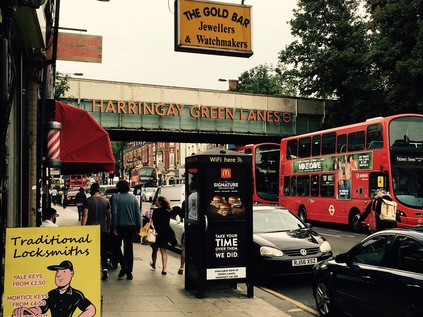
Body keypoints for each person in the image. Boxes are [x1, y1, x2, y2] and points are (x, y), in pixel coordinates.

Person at [12, 260, 96, 317]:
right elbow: (39, 308)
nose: (59, 275)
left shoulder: (76, 295)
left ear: (71, 273)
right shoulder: (51, 294)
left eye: (63, 272)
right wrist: (26, 311)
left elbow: (91, 309)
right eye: (57, 272)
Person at [111, 179, 141, 280]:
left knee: (116, 246)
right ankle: (129, 272)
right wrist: (139, 226)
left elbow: (114, 213)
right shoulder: (133, 198)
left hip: (119, 225)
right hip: (131, 226)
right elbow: (137, 213)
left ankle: (124, 265)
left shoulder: (115, 198)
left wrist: (113, 226)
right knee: (129, 248)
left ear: (118, 187)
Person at [82, 182, 111, 280]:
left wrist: (82, 227)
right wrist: (108, 227)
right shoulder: (106, 201)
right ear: (99, 190)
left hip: (91, 229)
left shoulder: (88, 201)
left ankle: (92, 269)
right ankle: (105, 268)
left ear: (91, 190)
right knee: (103, 249)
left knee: (92, 250)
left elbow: (85, 215)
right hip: (102, 229)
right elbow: (108, 215)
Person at [150, 196, 177, 275]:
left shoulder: (155, 211)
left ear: (160, 203)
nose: (156, 202)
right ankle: (164, 268)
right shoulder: (167, 211)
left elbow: (153, 222)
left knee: (154, 250)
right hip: (165, 232)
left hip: (157, 233)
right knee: (164, 251)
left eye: (157, 201)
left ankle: (154, 264)